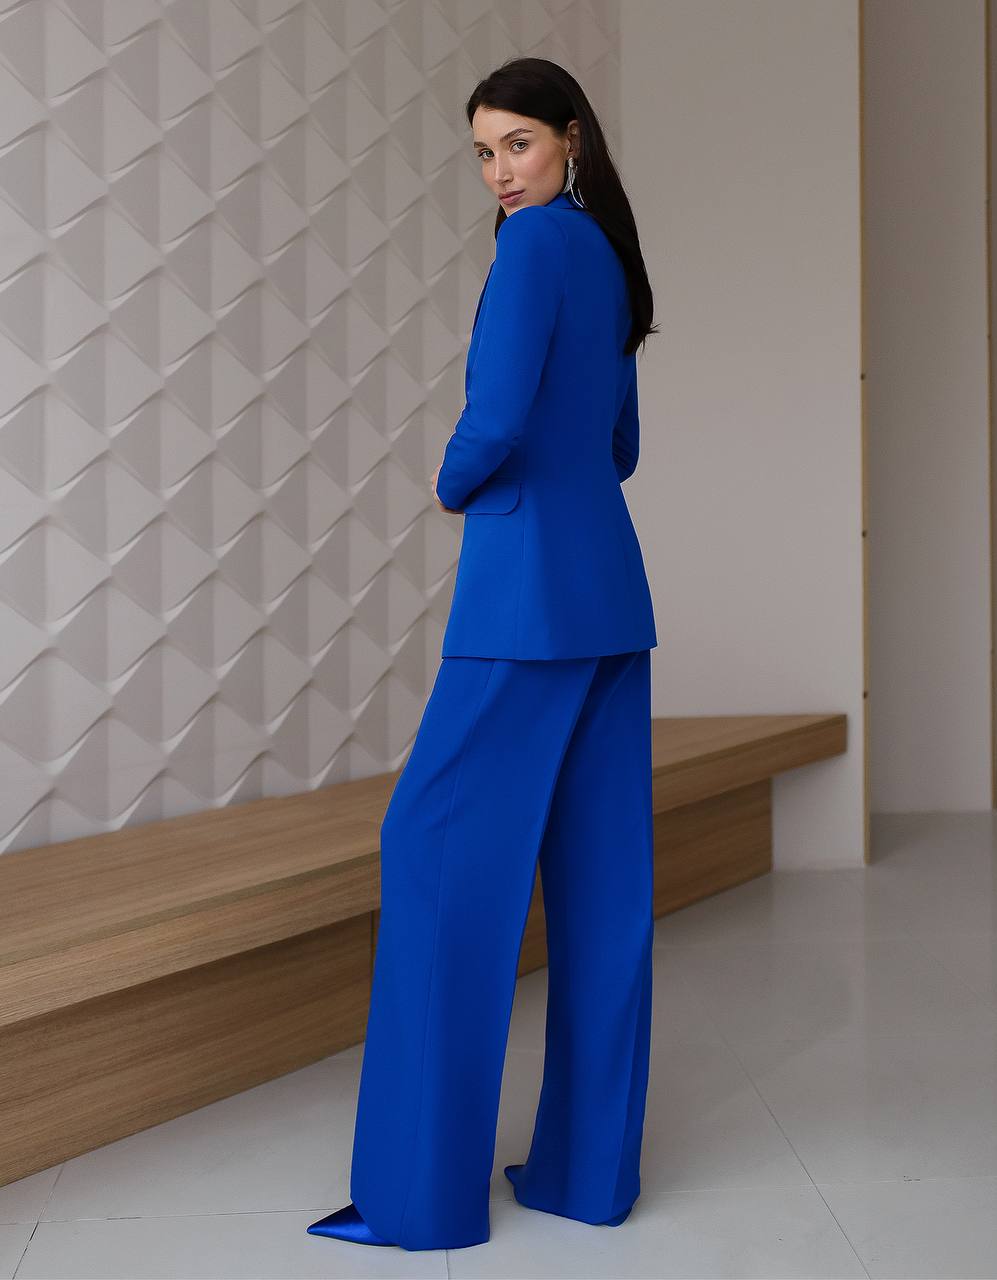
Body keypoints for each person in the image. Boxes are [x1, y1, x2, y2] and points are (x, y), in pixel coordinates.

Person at [307, 55, 660, 1253]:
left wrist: (452, 481)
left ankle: (416, 1197)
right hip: (610, 595)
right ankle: (585, 1176)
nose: (498, 172)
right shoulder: (607, 255)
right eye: (481, 154)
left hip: (522, 603)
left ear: (569, 138)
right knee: (602, 889)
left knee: (432, 850)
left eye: (516, 144)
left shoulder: (531, 248)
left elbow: (497, 417)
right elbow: (619, 445)